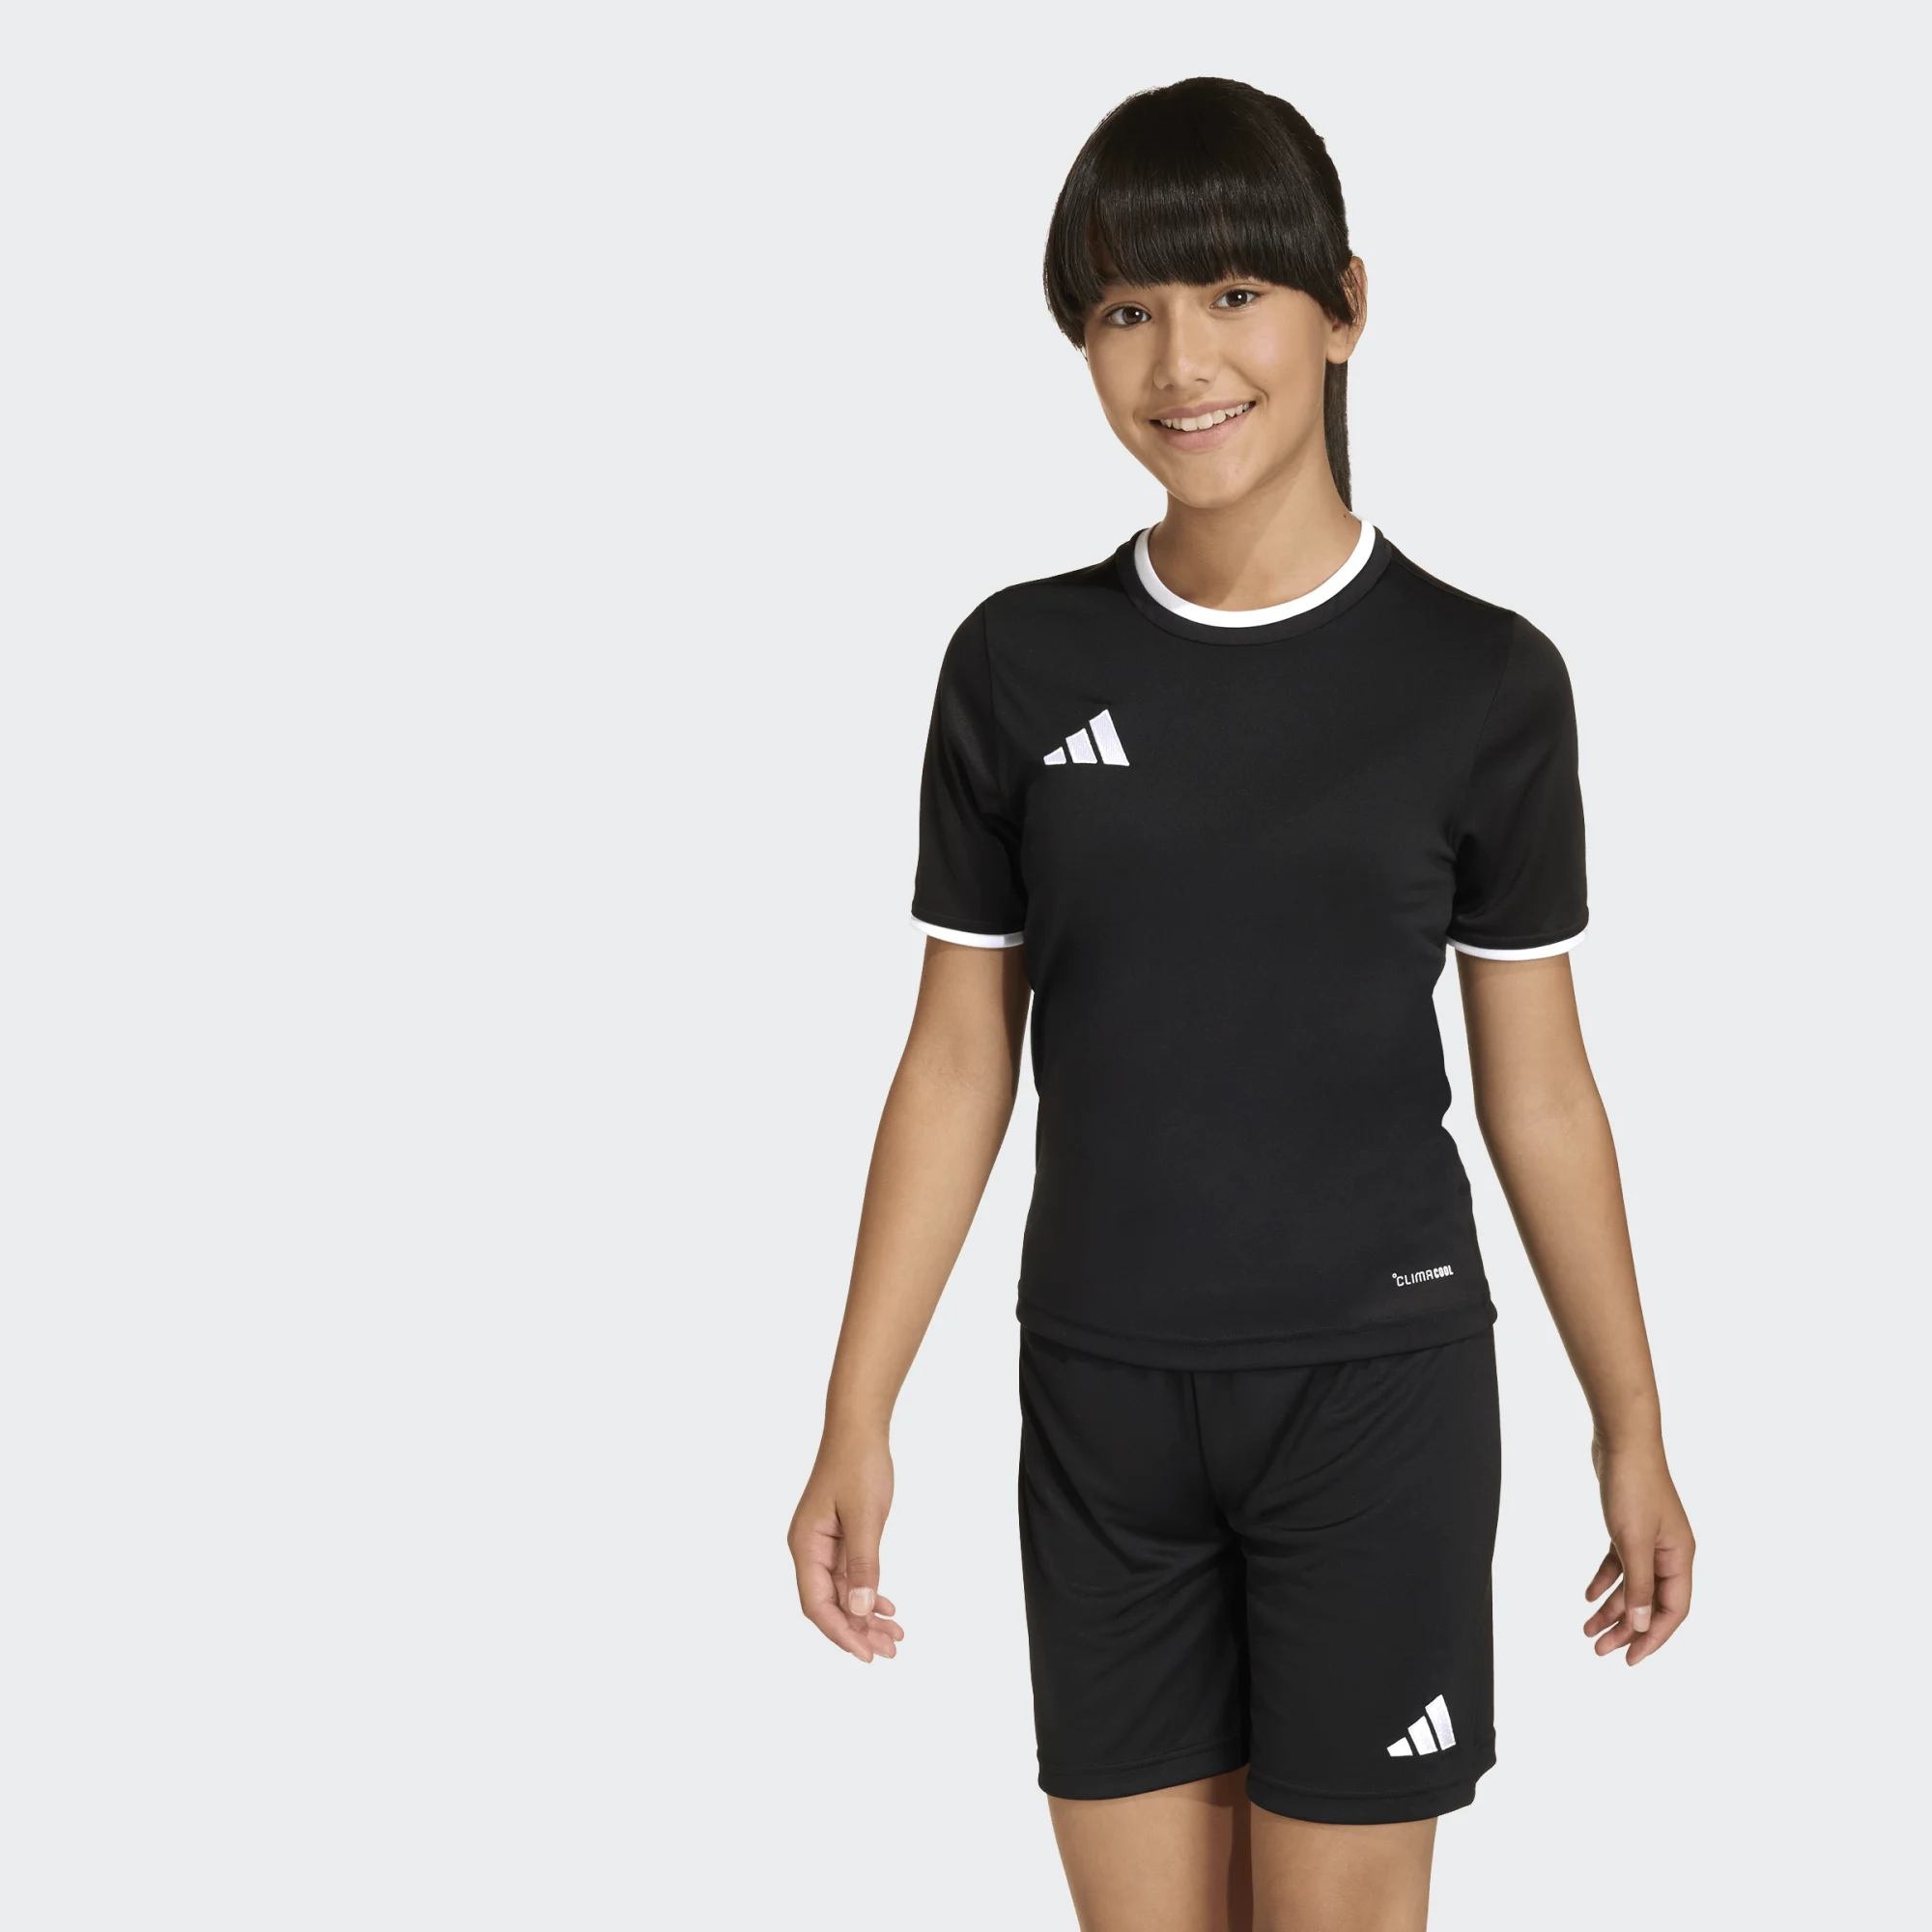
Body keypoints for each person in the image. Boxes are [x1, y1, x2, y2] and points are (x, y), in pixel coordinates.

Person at [787, 75, 1694, 1932]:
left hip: (1376, 1399)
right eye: (1125, 309)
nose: (1181, 361)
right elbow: (957, 1059)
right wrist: (855, 1407)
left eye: (1232, 294)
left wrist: (1631, 1420)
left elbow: (1539, 1090)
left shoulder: (1482, 682)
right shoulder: (1016, 663)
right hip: (1102, 1401)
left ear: (1344, 307)